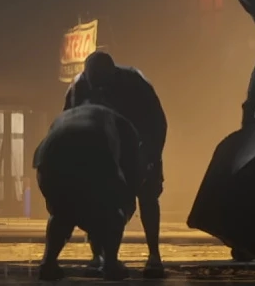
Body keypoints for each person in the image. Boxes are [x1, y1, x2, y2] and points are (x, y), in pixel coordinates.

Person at [63, 50, 168, 278]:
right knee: (96, 200)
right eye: (95, 84)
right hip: (101, 151)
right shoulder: (78, 87)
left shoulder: (135, 82)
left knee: (148, 195)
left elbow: (157, 122)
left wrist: (151, 157)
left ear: (112, 73)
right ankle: (99, 254)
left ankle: (154, 254)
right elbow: (69, 123)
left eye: (102, 83)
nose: (99, 89)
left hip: (139, 143)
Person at [34, 103, 142, 282]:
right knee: (115, 209)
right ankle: (110, 263)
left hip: (48, 156)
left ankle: (48, 263)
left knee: (61, 212)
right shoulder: (126, 127)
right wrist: (126, 205)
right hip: (93, 148)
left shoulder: (70, 115)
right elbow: (132, 176)